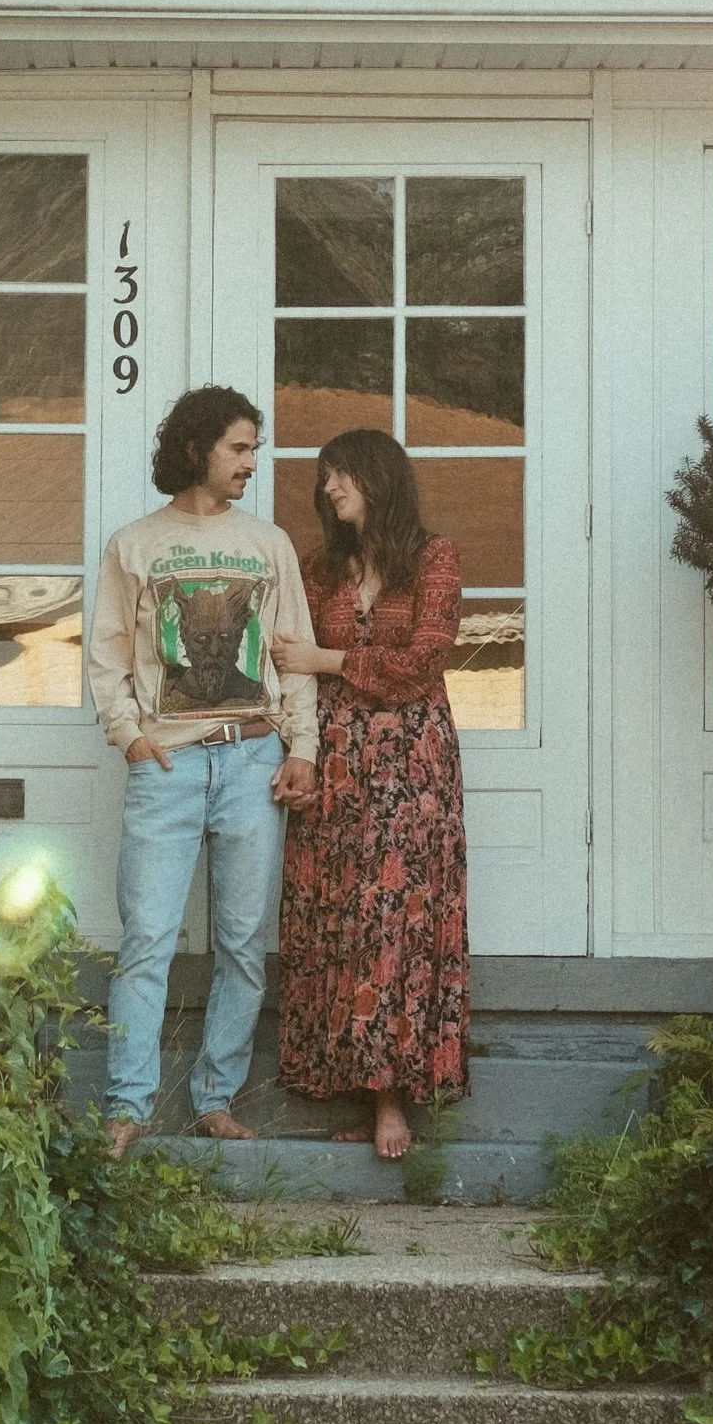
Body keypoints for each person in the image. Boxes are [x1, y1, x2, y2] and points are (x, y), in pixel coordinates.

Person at [87, 383, 318, 1162]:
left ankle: (215, 1100)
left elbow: (294, 657)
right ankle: (127, 1106)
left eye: (254, 447)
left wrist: (303, 748)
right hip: (171, 762)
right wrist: (130, 737)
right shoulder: (135, 544)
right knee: (147, 939)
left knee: (244, 943)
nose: (252, 463)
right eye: (240, 448)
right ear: (198, 450)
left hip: (254, 756)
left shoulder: (268, 543)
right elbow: (107, 655)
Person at [268, 426, 469, 1162]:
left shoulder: (433, 558)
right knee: (341, 922)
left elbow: (420, 664)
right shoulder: (319, 566)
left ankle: (393, 1099)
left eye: (341, 475)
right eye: (325, 479)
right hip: (336, 759)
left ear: (379, 478)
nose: (329, 489)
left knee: (397, 924)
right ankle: (353, 1088)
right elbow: (282, 655)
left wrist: (326, 658)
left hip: (412, 766)